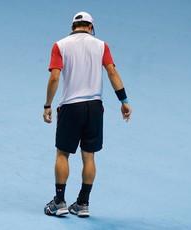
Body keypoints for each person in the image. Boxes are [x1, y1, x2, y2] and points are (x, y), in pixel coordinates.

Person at [43, 11, 132, 218]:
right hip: (94, 108)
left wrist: (47, 105)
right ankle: (83, 203)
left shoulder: (60, 45)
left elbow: (55, 78)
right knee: (89, 156)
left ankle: (59, 202)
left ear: (73, 26)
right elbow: (112, 72)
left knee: (62, 154)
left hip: (71, 108)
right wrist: (124, 101)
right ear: (91, 27)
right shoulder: (102, 45)